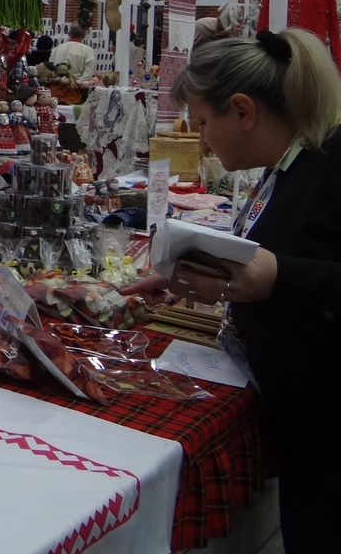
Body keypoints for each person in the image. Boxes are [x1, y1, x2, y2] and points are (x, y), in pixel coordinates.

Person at [122, 29, 341, 552]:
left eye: (202, 123)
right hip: (304, 426)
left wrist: (281, 276)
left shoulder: (331, 164)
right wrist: (194, 274)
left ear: (242, 110)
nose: (201, 142)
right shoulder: (288, 167)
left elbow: (290, 269)